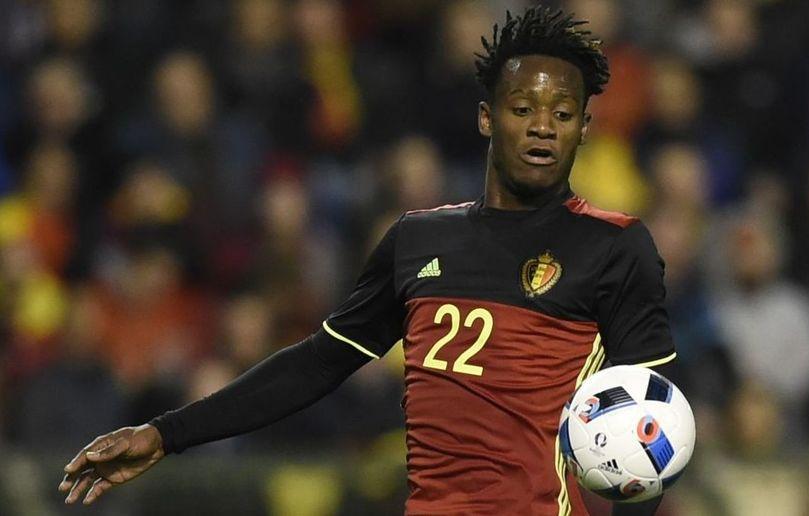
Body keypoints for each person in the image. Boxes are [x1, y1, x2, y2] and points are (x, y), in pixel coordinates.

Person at [59, 7, 676, 515]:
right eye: (523, 110)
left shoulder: (614, 249)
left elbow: (651, 434)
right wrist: (166, 435)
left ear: (585, 128)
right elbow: (318, 364)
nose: (543, 128)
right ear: (487, 117)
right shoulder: (417, 241)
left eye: (562, 115)